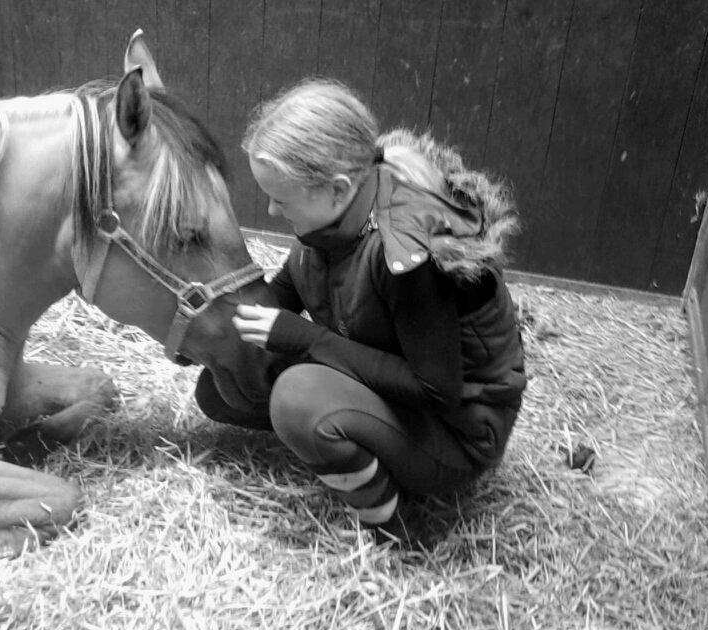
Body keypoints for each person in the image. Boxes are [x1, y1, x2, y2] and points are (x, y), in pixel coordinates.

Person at [195, 78, 527, 528]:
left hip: (456, 432)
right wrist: (203, 326)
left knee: (296, 399)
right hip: (390, 386)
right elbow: (276, 303)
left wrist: (308, 340)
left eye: (281, 197)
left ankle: (394, 523)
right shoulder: (330, 226)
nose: (272, 211)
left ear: (336, 189)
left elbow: (437, 391)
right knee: (224, 386)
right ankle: (352, 447)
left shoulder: (410, 256)